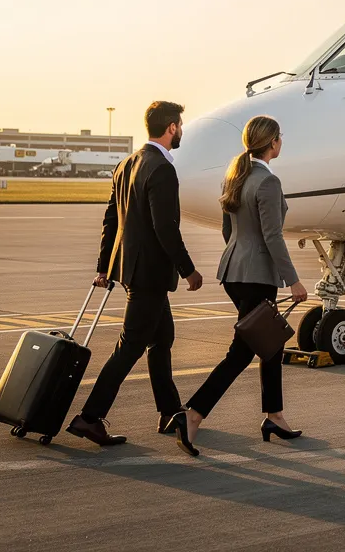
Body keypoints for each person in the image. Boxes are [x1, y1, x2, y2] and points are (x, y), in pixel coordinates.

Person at [169, 115, 307, 456]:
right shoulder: (268, 182)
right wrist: (294, 281)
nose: (281, 142)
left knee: (270, 342)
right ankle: (193, 415)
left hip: (233, 271)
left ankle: (274, 415)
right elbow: (273, 236)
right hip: (257, 276)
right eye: (280, 138)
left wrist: (239, 254)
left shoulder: (236, 176)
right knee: (242, 351)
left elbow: (228, 231)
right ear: (273, 142)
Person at [68, 101, 203, 447]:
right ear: (171, 127)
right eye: (180, 125)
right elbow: (165, 227)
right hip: (150, 276)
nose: (181, 130)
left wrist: (104, 266)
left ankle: (169, 411)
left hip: (132, 271)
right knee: (129, 347)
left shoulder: (126, 164)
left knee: (162, 339)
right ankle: (90, 417)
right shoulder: (161, 169)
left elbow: (111, 220)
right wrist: (188, 270)